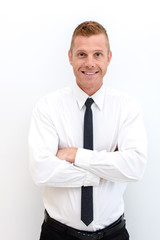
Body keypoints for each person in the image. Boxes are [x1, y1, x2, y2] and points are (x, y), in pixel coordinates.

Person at [28, 21, 147, 240]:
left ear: (109, 58)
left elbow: (135, 167)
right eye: (82, 54)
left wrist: (76, 155)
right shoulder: (48, 107)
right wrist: (105, 169)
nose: (90, 63)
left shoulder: (127, 108)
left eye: (98, 54)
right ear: (70, 57)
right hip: (57, 235)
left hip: (114, 235)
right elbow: (41, 170)